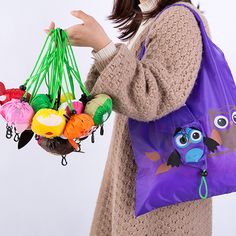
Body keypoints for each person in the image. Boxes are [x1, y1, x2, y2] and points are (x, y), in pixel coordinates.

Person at [46, 0, 212, 235]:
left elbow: (153, 97)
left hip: (161, 201)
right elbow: (123, 94)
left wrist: (102, 46)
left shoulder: (178, 18)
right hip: (141, 183)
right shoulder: (150, 19)